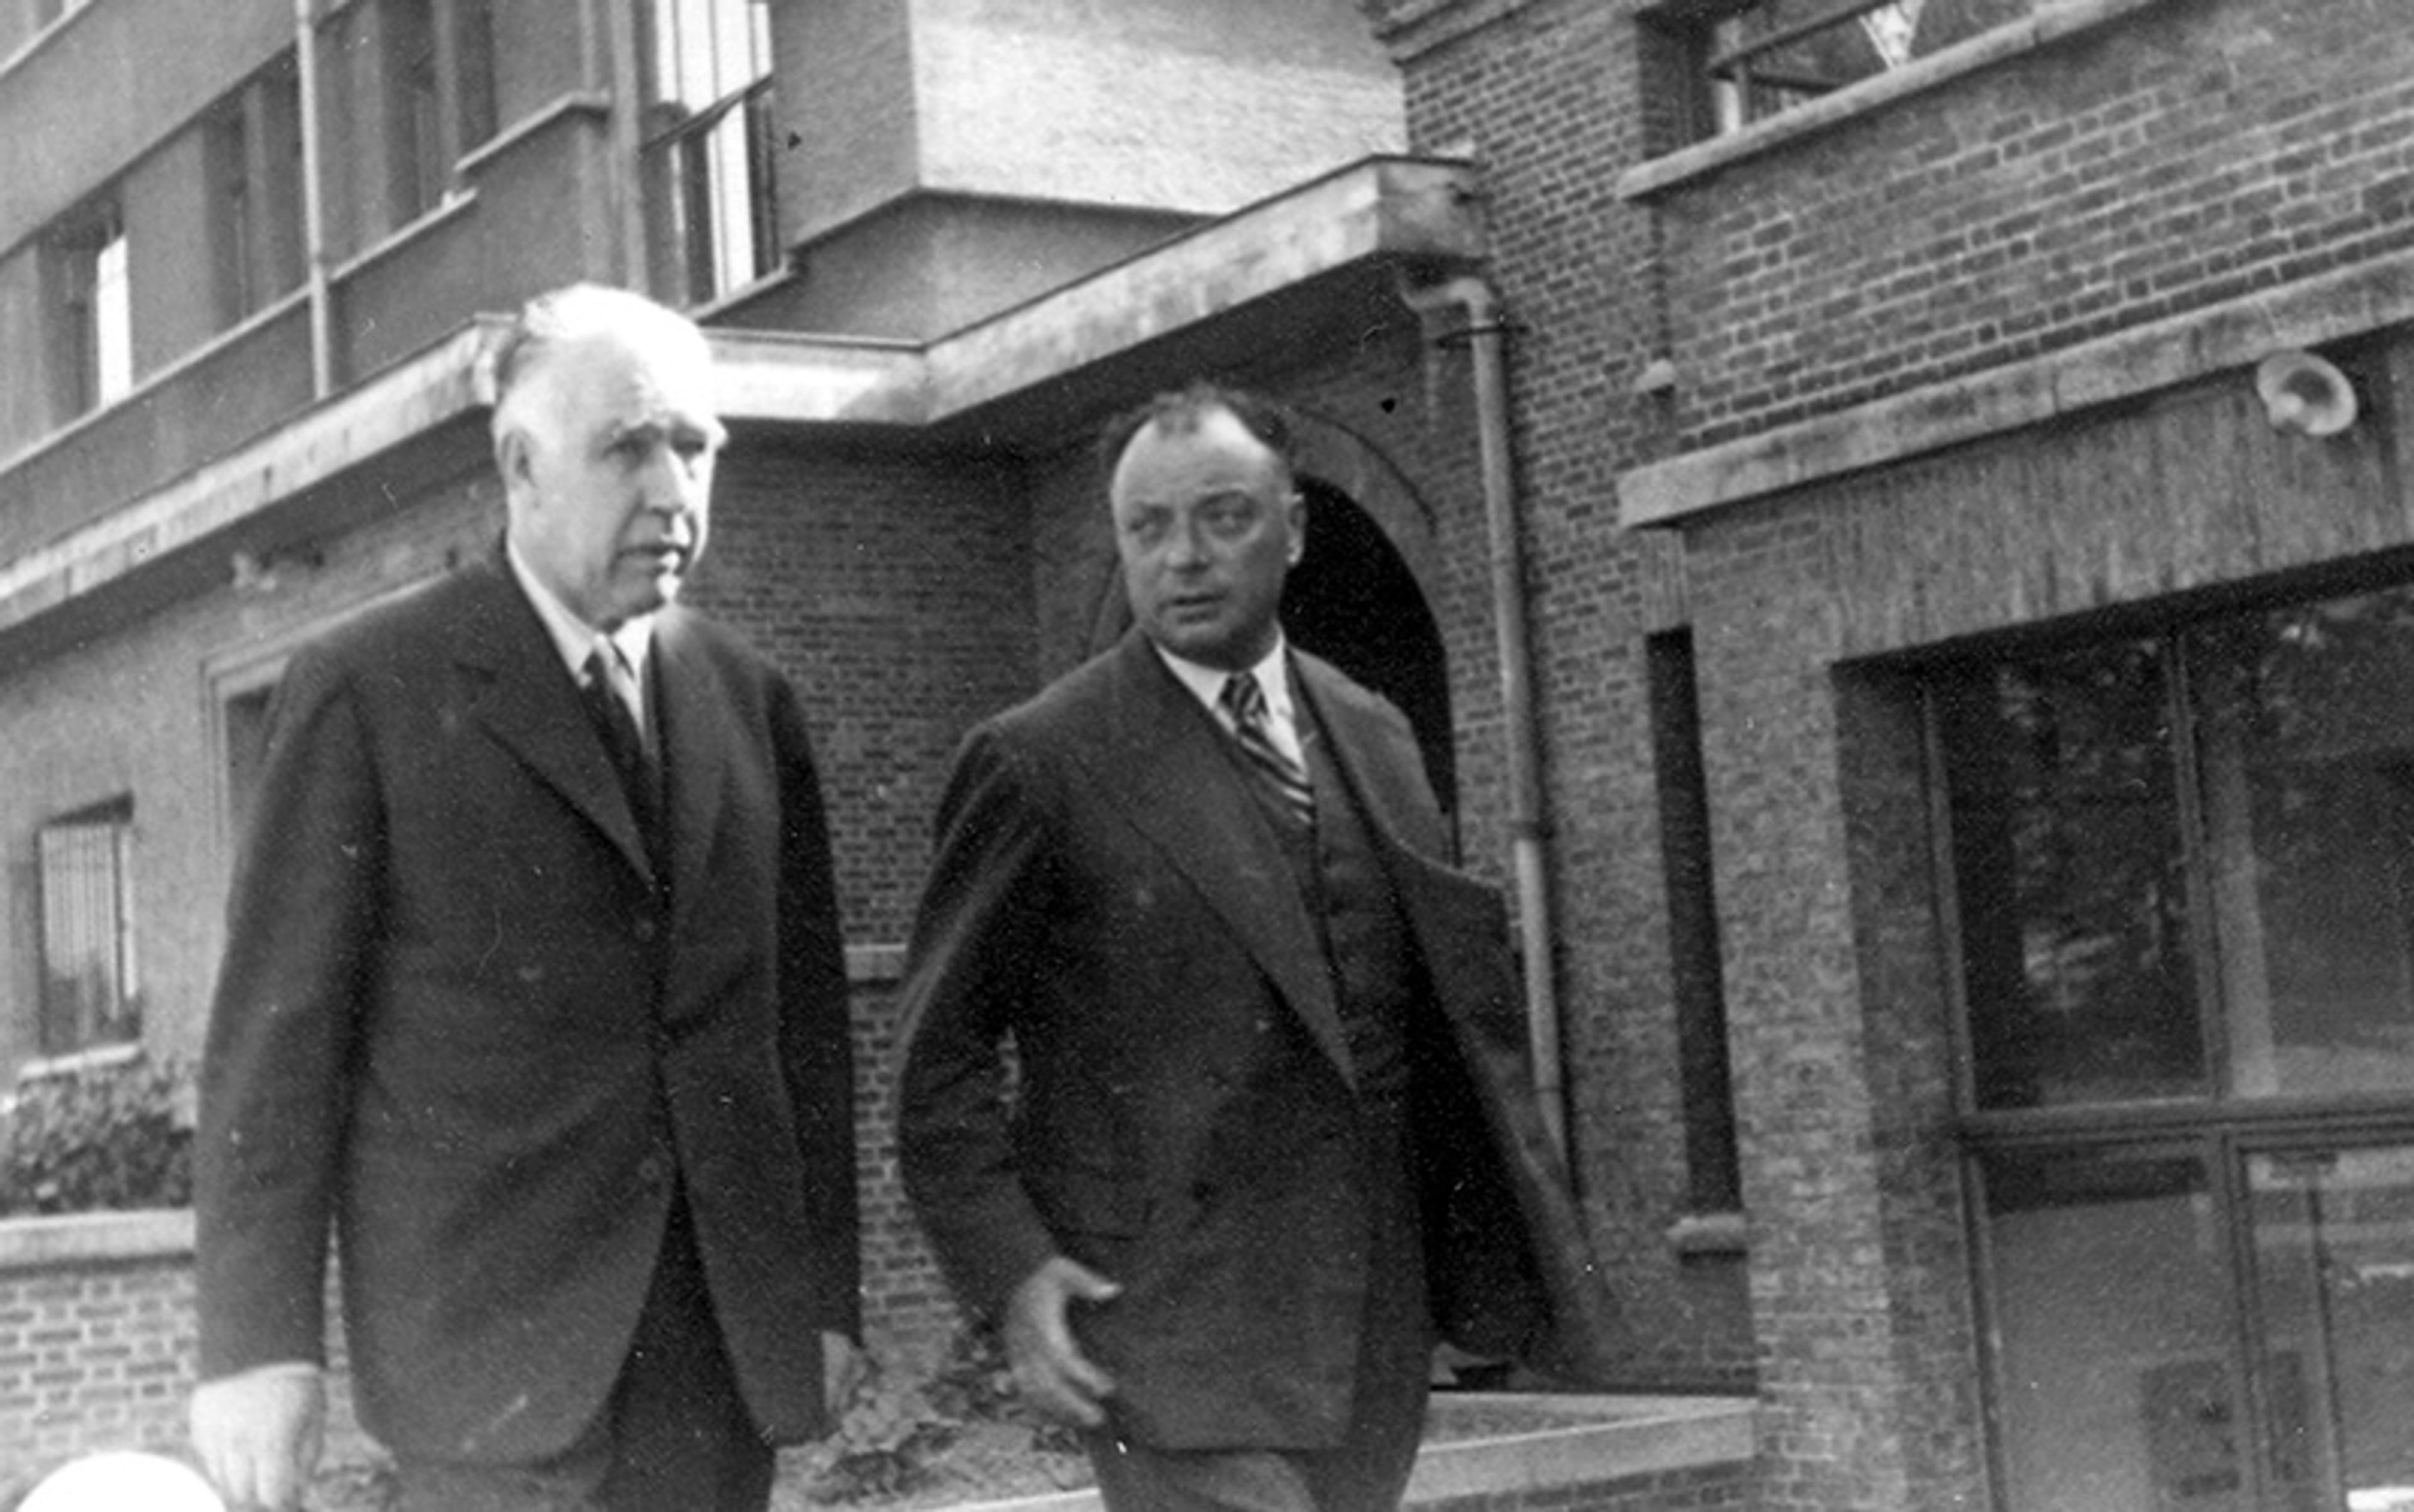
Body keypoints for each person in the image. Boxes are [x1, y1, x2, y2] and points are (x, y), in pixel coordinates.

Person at [187, 284, 862, 1512]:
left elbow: (802, 1030)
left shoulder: (748, 698)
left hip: (714, 1367)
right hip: (488, 1382)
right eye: (627, 448)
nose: (672, 491)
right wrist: (253, 1345)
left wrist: (822, 1297)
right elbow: (277, 1043)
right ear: (521, 463)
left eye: (696, 447)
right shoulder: (368, 686)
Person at [895, 382, 1621, 1512]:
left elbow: (1444, 1015)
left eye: (1223, 517)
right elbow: (935, 1066)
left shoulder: (1373, 732)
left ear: (1291, 528)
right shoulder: (1038, 761)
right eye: (1149, 528)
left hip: (1369, 1328)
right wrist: (1012, 1272)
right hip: (1164, 1328)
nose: (1183, 557)